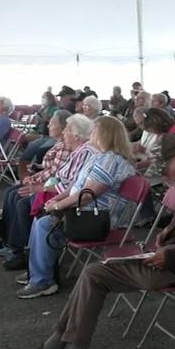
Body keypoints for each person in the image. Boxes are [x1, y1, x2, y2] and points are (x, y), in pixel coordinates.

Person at [14, 135, 175, 349]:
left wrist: (171, 255)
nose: (166, 179)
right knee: (94, 273)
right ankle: (59, 347)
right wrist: (170, 232)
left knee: (94, 274)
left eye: (165, 171)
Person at [15, 116, 136, 299]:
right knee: (42, 218)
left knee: (44, 224)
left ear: (104, 134)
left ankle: (43, 280)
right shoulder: (102, 156)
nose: (91, 134)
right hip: (89, 213)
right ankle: (38, 273)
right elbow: (75, 186)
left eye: (95, 130)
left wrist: (58, 205)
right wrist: (57, 201)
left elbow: (87, 195)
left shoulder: (110, 160)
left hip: (98, 220)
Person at [0, 110, 76, 269]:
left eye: (52, 123)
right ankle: (11, 244)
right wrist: (37, 170)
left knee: (20, 200)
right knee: (11, 193)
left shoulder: (64, 147)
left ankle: (20, 249)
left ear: (63, 127)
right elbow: (52, 169)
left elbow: (55, 174)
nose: (48, 125)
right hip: (49, 183)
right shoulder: (60, 144)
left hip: (54, 189)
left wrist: (34, 179)